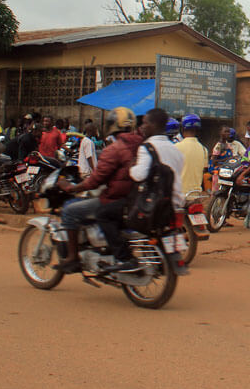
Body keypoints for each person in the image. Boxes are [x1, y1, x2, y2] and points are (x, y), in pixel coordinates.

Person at [53, 107, 142, 274]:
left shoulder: (114, 149)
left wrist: (73, 188)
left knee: (70, 211)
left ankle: (73, 258)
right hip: (134, 198)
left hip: (115, 198)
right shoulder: (141, 144)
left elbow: (96, 180)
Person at [97, 107, 185, 270]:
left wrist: (132, 166)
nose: (142, 127)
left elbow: (138, 175)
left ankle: (122, 257)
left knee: (103, 214)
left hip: (151, 205)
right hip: (174, 203)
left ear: (153, 124)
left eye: (145, 123)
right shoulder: (175, 149)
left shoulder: (147, 147)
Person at [175, 113, 208, 196]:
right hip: (195, 195)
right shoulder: (204, 149)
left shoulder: (176, 147)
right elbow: (204, 171)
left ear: (182, 128)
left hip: (179, 195)